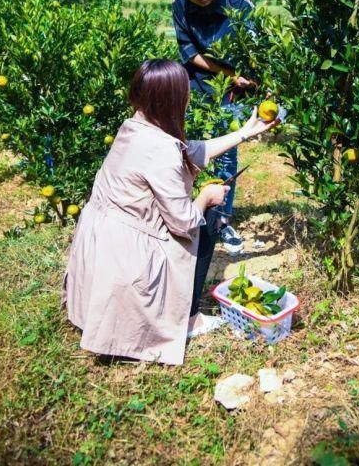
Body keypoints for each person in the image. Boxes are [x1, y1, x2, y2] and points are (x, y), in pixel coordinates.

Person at [62, 59, 276, 365]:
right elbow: (183, 222)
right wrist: (205, 197)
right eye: (185, 93)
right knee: (209, 220)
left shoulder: (135, 126)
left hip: (103, 244)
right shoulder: (160, 150)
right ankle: (188, 318)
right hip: (127, 257)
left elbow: (190, 150)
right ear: (173, 100)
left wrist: (245, 132)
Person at [172, 0, 256, 254]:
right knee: (188, 147)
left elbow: (256, 45)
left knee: (225, 150)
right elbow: (189, 52)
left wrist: (247, 77)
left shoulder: (237, 0)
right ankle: (184, 211)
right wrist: (227, 72)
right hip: (197, 83)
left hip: (232, 91)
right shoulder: (180, 5)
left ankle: (221, 221)